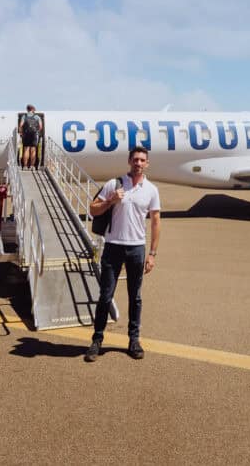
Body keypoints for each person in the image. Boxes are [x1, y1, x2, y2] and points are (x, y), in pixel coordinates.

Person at [85, 145, 161, 362]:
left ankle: (133, 340)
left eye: (142, 160)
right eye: (135, 159)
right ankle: (96, 340)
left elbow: (156, 221)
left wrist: (153, 253)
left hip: (137, 248)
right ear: (129, 161)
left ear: (147, 164)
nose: (138, 163)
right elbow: (92, 209)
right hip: (113, 247)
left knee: (135, 297)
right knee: (105, 296)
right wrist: (111, 201)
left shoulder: (151, 190)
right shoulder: (114, 184)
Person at [19, 105, 43, 169]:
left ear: (27, 109)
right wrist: (37, 132)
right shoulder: (37, 117)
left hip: (26, 134)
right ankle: (32, 166)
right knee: (33, 150)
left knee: (26, 149)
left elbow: (21, 125)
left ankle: (25, 166)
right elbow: (40, 126)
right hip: (34, 134)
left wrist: (21, 132)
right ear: (33, 109)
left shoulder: (24, 116)